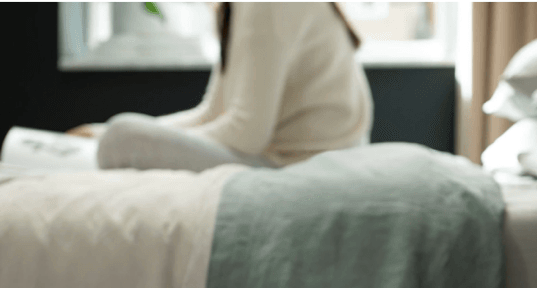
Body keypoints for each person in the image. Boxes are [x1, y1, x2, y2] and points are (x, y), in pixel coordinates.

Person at [68, 2, 374, 172]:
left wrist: (121, 136)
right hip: (295, 156)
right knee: (120, 133)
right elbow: (213, 112)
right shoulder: (238, 7)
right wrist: (100, 132)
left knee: (124, 136)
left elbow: (246, 134)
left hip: (303, 165)